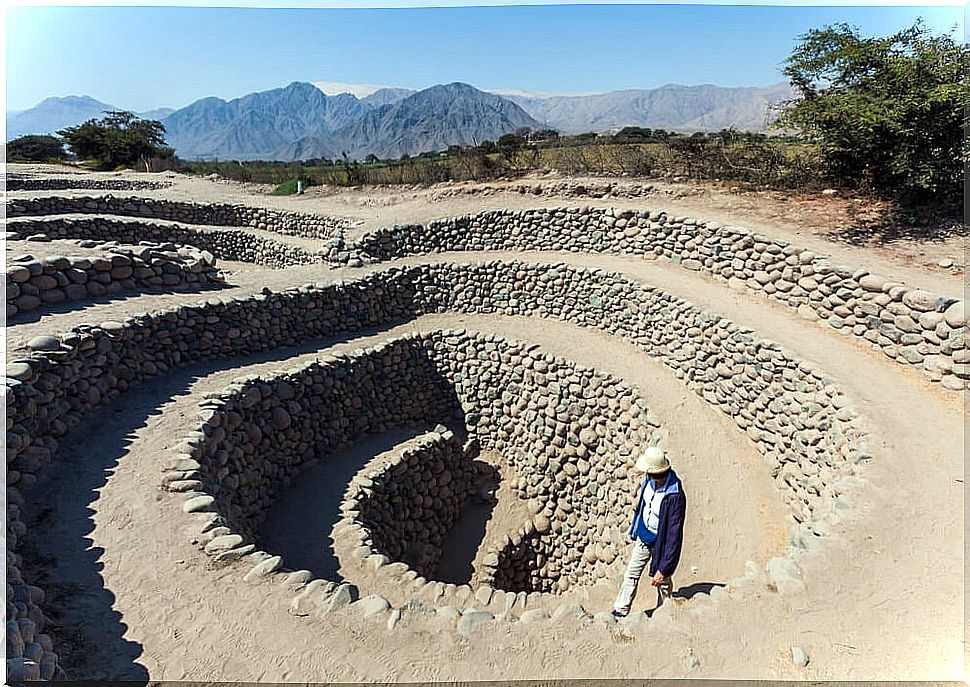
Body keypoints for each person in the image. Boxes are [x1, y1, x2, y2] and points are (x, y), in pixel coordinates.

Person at [612, 446, 687, 617]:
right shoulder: (649, 480)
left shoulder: (675, 496)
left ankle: (664, 611)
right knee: (631, 573)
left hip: (660, 543)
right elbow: (643, 506)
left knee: (663, 580)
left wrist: (664, 568)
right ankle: (620, 610)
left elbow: (673, 536)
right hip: (644, 537)